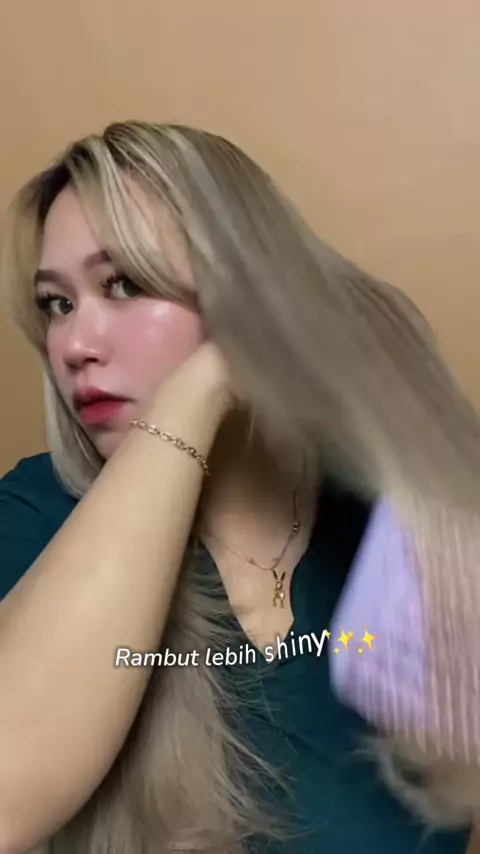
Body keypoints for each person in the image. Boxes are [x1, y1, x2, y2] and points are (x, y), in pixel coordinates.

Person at [0, 121, 478, 854]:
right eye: (56, 304)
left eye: (124, 284)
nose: (73, 345)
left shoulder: (390, 523)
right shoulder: (38, 517)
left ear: (251, 292)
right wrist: (204, 383)